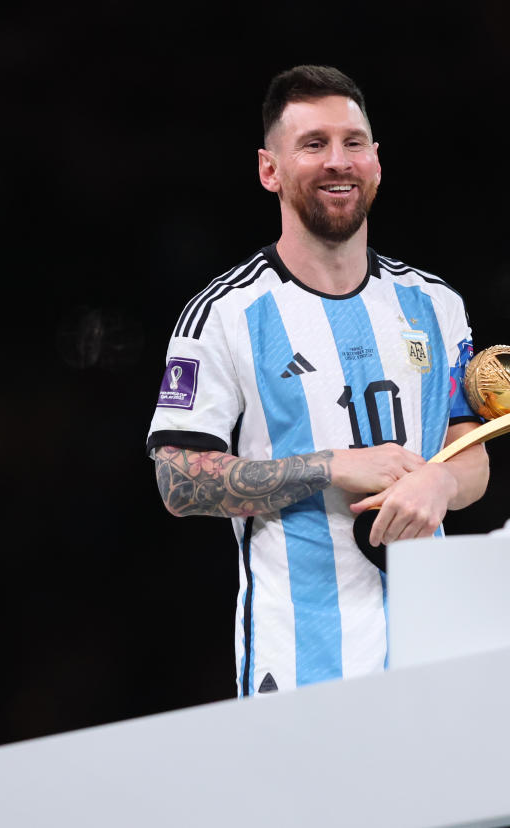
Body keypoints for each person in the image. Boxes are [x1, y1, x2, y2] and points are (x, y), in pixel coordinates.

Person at [145, 65, 488, 696]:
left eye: (353, 142)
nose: (338, 161)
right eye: (313, 145)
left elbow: (473, 459)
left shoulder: (436, 303)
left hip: (436, 648)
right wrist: (331, 466)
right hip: (301, 660)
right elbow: (177, 479)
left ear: (377, 161)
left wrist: (441, 478)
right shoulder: (225, 315)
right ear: (269, 170)